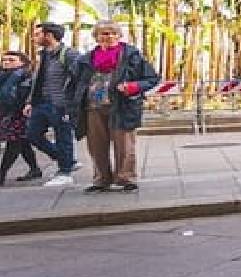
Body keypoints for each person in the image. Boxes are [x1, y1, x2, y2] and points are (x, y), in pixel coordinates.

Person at [68, 21, 159, 192]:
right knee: (96, 146)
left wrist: (133, 87)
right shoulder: (85, 59)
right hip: (93, 108)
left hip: (122, 106)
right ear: (96, 37)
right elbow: (73, 84)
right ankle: (101, 179)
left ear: (119, 35)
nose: (108, 36)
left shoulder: (132, 56)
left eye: (112, 33)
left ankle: (126, 178)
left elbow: (152, 78)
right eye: (103, 33)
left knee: (124, 145)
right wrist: (71, 105)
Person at [26, 22, 81, 187]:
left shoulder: (69, 54)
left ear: (49, 35)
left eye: (37, 34)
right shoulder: (43, 55)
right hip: (41, 103)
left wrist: (71, 103)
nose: (34, 38)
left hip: (60, 104)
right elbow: (37, 80)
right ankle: (66, 159)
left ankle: (64, 172)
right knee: (32, 135)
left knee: (63, 136)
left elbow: (79, 79)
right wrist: (30, 101)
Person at [0, 51, 39, 185]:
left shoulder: (25, 76)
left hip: (19, 114)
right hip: (7, 114)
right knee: (21, 142)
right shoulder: (5, 76)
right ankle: (35, 169)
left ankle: (1, 174)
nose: (6, 62)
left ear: (22, 62)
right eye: (4, 60)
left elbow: (20, 97)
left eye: (11, 60)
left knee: (14, 142)